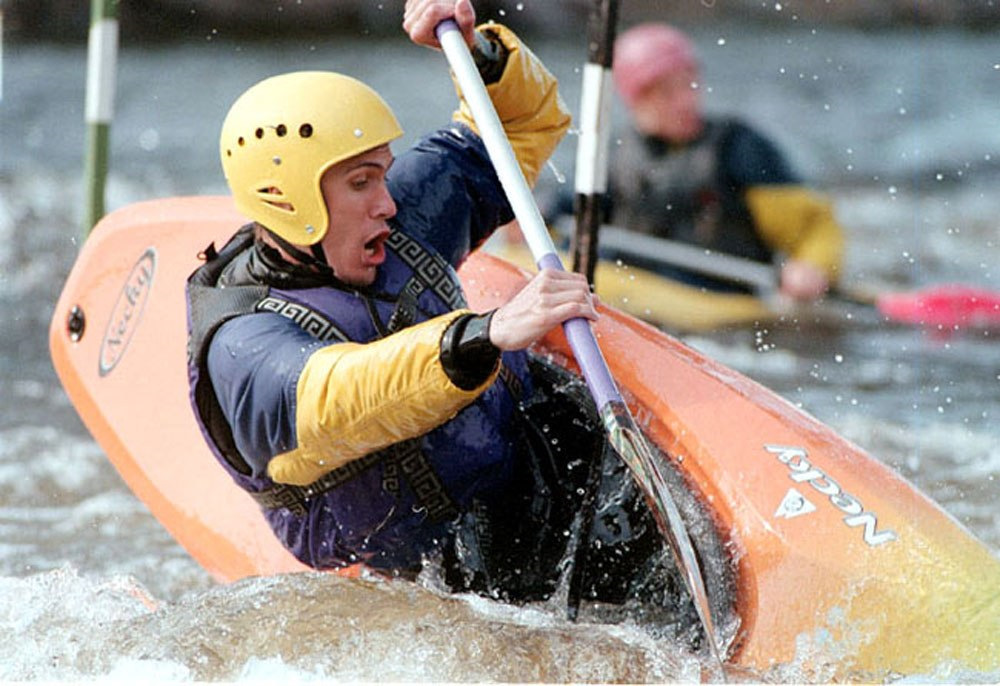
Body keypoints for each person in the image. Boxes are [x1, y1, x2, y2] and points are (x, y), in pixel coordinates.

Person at [184, 0, 696, 619]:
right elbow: (340, 396)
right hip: (449, 566)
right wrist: (487, 334)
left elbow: (523, 125)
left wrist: (478, 53)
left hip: (539, 455)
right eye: (360, 183)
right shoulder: (240, 345)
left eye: (383, 176)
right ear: (288, 199)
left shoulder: (392, 219)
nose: (388, 204)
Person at [603, 22, 844, 301]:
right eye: (666, 92)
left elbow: (814, 226)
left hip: (723, 301)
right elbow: (559, 220)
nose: (685, 101)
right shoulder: (611, 157)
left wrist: (813, 266)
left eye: (689, 84)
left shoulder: (740, 148)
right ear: (635, 101)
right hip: (638, 295)